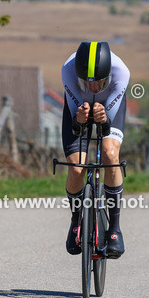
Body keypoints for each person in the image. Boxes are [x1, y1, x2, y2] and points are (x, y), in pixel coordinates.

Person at [61, 41, 130, 257]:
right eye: (86, 83)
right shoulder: (67, 70)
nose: (93, 88)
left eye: (100, 83)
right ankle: (75, 220)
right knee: (75, 166)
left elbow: (107, 124)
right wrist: (78, 118)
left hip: (109, 108)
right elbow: (75, 120)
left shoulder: (121, 72)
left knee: (110, 154)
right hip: (78, 108)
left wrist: (104, 118)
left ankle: (115, 229)